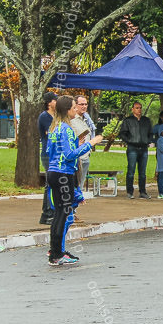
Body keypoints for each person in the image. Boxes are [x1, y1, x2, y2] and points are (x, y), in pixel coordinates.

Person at [46, 95, 103, 265]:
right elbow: (70, 155)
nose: (75, 110)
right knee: (63, 214)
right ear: (67, 110)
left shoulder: (54, 128)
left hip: (54, 172)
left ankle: (55, 250)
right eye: (73, 107)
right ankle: (56, 253)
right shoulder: (66, 129)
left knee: (59, 213)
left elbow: (51, 150)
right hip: (64, 173)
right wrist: (90, 143)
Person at [119, 101, 153, 198]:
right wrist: (129, 141)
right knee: (131, 170)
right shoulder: (128, 120)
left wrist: (148, 140)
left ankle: (143, 191)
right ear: (132, 109)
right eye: (137, 108)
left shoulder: (146, 120)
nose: (139, 110)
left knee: (142, 172)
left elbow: (150, 132)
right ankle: (129, 192)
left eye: (140, 108)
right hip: (132, 148)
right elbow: (122, 133)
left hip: (144, 148)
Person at [38, 91, 58, 225]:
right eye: (55, 100)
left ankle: (51, 210)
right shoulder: (45, 116)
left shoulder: (57, 116)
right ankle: (47, 212)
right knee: (50, 183)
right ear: (49, 103)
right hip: (48, 153)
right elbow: (50, 132)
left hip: (56, 153)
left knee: (53, 183)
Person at [69, 96, 94, 190]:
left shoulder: (86, 119)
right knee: (74, 187)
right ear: (75, 105)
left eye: (85, 104)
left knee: (80, 187)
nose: (84, 106)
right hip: (76, 158)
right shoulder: (71, 120)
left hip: (86, 156)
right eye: (81, 104)